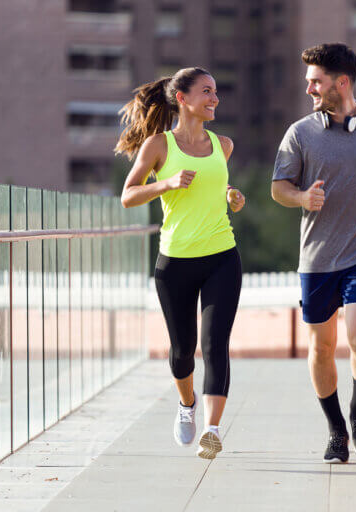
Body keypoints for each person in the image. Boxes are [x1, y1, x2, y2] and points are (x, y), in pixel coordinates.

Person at [271, 43, 356, 463]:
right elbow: (279, 188)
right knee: (322, 347)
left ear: (341, 82)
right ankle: (335, 430)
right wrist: (301, 199)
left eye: (316, 81)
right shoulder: (299, 134)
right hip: (317, 257)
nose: (309, 87)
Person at [118, 67, 245, 460]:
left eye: (217, 92)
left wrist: (231, 194)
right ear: (183, 99)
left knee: (215, 343)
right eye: (207, 92)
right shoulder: (158, 145)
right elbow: (129, 195)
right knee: (182, 350)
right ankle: (186, 404)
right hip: (175, 262)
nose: (215, 99)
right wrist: (166, 184)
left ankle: (212, 429)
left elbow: (213, 182)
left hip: (222, 255)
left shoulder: (223, 144)